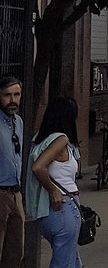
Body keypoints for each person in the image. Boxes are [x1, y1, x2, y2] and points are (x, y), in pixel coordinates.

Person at [26, 96, 82, 268]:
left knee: (71, 260)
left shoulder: (41, 139)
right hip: (64, 206)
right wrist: (53, 190)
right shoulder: (61, 139)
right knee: (64, 262)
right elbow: (38, 167)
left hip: (47, 212)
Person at [0, 76, 24, 267]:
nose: (12, 100)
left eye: (16, 94)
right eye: (7, 95)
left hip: (14, 193)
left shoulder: (19, 122)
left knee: (14, 252)